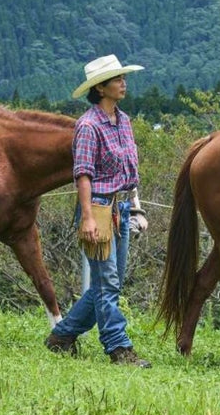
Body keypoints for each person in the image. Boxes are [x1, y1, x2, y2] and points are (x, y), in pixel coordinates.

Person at [45, 54, 151, 367]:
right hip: (100, 208)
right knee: (109, 283)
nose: (123, 83)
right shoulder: (89, 126)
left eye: (123, 78)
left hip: (121, 206)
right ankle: (119, 349)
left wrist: (136, 209)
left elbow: (130, 172)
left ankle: (62, 336)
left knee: (109, 282)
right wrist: (89, 216)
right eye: (117, 79)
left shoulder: (125, 121)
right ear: (100, 88)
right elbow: (83, 174)